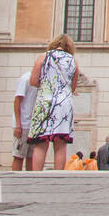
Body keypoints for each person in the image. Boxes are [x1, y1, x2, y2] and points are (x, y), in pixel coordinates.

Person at [27, 34, 79, 171]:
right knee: (60, 144)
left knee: (41, 142)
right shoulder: (72, 60)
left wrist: (46, 84)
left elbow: (33, 81)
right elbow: (73, 87)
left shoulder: (44, 57)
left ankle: (36, 175)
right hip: (64, 103)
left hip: (45, 101)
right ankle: (58, 175)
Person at [11, 69, 38, 170]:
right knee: (19, 155)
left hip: (34, 125)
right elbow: (17, 101)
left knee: (31, 156)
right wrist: (18, 125)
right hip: (23, 124)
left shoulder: (40, 81)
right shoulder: (25, 79)